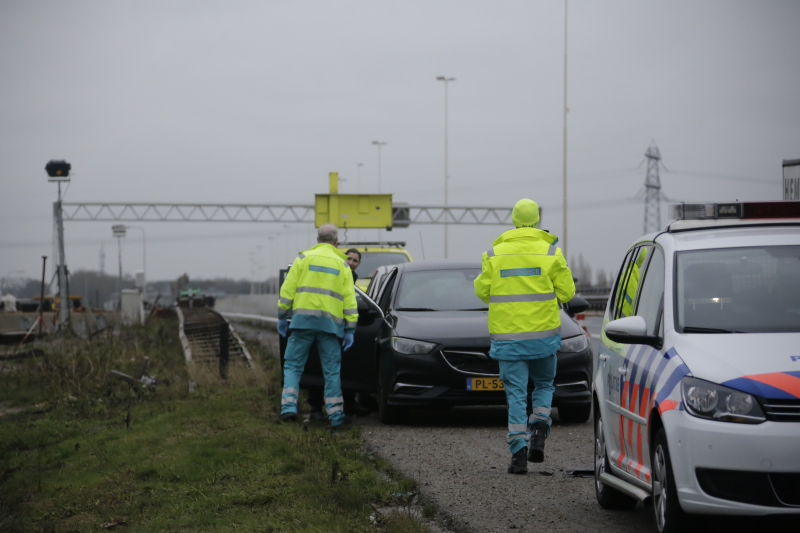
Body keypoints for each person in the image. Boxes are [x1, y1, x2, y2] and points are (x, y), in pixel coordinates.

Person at [474, 199, 575, 474]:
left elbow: (483, 292)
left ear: (514, 220)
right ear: (536, 220)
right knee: (544, 385)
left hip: (509, 340)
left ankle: (518, 454)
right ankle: (540, 427)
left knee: (516, 394)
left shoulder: (494, 254)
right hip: (544, 338)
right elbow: (567, 292)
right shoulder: (551, 252)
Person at [276, 223, 358, 429]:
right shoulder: (343, 266)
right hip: (330, 327)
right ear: (336, 241)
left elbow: (287, 291)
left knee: (293, 366)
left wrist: (282, 316)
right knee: (331, 371)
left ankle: (288, 409)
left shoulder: (303, 259)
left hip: (302, 323)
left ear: (317, 239)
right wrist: (350, 329)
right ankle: (336, 416)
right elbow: (350, 301)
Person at [306, 246, 371, 420]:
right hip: (321, 324)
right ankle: (316, 408)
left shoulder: (352, 277)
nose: (351, 262)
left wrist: (349, 328)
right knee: (317, 367)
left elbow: (350, 303)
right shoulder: (332, 273)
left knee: (345, 366)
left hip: (338, 328)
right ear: (342, 259)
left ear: (358, 264)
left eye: (355, 260)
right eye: (348, 258)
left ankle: (347, 404)